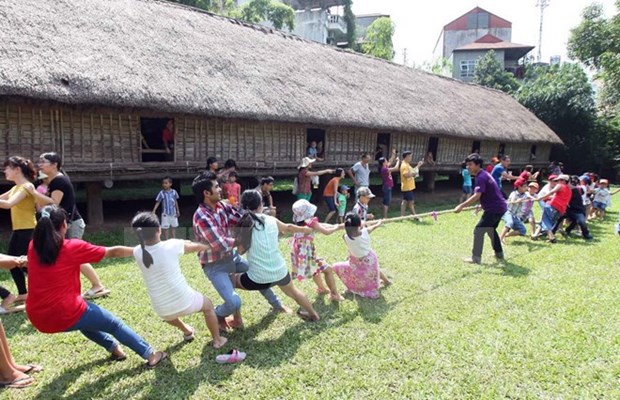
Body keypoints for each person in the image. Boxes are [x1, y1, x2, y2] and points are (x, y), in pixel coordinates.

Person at [26, 205, 167, 367]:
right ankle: (151, 355)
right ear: (64, 225)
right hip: (66, 313)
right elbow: (112, 252)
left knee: (85, 320)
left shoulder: (32, 246)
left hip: (38, 318)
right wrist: (142, 250)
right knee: (114, 324)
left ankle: (114, 349)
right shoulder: (71, 247)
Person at [192, 171, 288, 331]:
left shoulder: (222, 206)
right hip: (215, 266)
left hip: (232, 258)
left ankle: (277, 305)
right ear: (206, 193)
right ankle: (217, 314)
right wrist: (243, 239)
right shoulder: (201, 216)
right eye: (216, 187)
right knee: (234, 302)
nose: (220, 189)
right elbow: (221, 244)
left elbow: (242, 218)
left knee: (259, 274)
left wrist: (262, 219)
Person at [131, 212, 227, 348]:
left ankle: (187, 331)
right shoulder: (172, 245)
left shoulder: (137, 252)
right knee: (208, 306)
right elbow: (195, 247)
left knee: (169, 316)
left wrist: (184, 243)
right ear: (159, 230)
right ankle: (217, 340)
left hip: (162, 310)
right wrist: (212, 245)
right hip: (186, 301)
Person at [26, 152, 109, 299]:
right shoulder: (52, 181)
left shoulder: (59, 181)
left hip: (71, 224)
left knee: (76, 257)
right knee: (68, 256)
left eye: (43, 161)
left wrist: (34, 193)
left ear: (54, 165)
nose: (39, 164)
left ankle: (97, 285)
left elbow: (54, 203)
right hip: (64, 224)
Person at [232, 190, 320, 321]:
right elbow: (288, 227)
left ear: (242, 206)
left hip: (257, 279)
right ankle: (314, 314)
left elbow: (240, 251)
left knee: (228, 281)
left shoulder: (245, 224)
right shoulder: (271, 219)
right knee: (294, 292)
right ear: (261, 204)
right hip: (281, 272)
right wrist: (305, 230)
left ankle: (236, 320)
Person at [454, 154, 507, 264]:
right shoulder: (484, 174)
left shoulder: (481, 177)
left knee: (479, 230)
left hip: (494, 208)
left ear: (478, 165)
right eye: (467, 165)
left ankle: (476, 258)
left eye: (470, 164)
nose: (468, 167)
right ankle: (499, 254)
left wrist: (461, 206)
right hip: (499, 207)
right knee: (490, 230)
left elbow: (477, 195)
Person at [291, 199, 344, 302]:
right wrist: (336, 227)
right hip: (306, 252)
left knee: (315, 270)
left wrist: (335, 226)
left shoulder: (301, 222)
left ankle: (322, 288)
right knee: (328, 270)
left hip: (301, 252)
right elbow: (326, 232)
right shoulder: (311, 221)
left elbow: (321, 225)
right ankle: (335, 295)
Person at [0, 156, 37, 304]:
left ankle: (42, 288)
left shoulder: (27, 187)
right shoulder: (15, 188)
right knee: (13, 262)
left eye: (7, 168)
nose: (5, 171)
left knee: (26, 263)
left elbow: (8, 203)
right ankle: (23, 293)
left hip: (28, 230)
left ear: (17, 170)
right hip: (19, 230)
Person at [332, 213, 390, 299]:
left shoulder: (345, 237)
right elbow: (374, 226)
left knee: (369, 272)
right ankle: (386, 281)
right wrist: (379, 222)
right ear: (359, 224)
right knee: (375, 270)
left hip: (356, 260)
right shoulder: (365, 231)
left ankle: (385, 281)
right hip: (369, 260)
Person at [533, 174, 572, 243]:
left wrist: (540, 198)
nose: (557, 182)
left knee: (545, 221)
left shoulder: (560, 185)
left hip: (552, 206)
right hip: (561, 209)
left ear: (563, 181)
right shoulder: (569, 190)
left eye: (559, 180)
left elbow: (551, 192)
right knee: (549, 222)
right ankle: (544, 235)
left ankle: (551, 236)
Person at [552, 176, 593, 240]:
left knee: (581, 222)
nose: (558, 182)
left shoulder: (574, 190)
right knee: (559, 219)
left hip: (578, 210)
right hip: (567, 209)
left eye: (560, 180)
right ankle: (552, 232)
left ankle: (586, 234)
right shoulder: (563, 189)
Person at [399, 151, 424, 217]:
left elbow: (412, 171)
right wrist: (414, 174)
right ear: (406, 157)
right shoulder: (404, 165)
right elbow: (406, 175)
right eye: (410, 156)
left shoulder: (407, 164)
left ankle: (402, 216)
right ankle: (415, 215)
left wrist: (418, 166)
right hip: (407, 187)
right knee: (411, 202)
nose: (411, 158)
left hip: (408, 186)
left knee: (405, 201)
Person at [378, 150, 400, 219]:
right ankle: (385, 217)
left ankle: (385, 216)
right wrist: (398, 161)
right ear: (383, 163)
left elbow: (390, 161)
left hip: (387, 186)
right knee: (386, 202)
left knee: (387, 201)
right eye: (386, 160)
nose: (387, 161)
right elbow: (396, 168)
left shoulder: (385, 167)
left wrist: (393, 154)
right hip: (387, 187)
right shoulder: (384, 169)